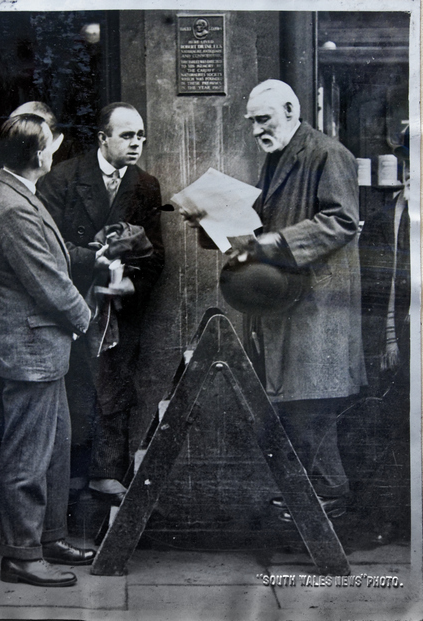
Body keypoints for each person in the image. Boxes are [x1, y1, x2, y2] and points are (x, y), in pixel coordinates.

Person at [181, 79, 366, 521]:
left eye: (262, 120)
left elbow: (341, 221)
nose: (256, 130)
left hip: (320, 307)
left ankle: (332, 497)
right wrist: (211, 224)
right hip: (290, 305)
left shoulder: (327, 153)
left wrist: (271, 241)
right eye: (251, 123)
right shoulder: (281, 156)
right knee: (298, 405)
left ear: (289, 109)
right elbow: (259, 226)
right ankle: (317, 497)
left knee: (313, 406)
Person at [0, 113, 95, 587]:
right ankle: (22, 555)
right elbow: (47, 280)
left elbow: (52, 257)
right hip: (30, 348)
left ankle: (48, 536)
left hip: (40, 345)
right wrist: (90, 322)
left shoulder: (16, 192)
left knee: (55, 446)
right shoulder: (12, 206)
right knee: (28, 456)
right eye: (51, 144)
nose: (56, 150)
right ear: (38, 154)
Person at [38, 102, 165, 503]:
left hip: (119, 309)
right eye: (127, 135)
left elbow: (156, 253)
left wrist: (132, 284)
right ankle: (64, 483)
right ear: (102, 138)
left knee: (117, 386)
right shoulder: (63, 179)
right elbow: (46, 247)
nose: (136, 143)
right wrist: (89, 258)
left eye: (141, 136)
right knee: (73, 388)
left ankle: (106, 473)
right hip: (70, 302)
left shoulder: (146, 186)